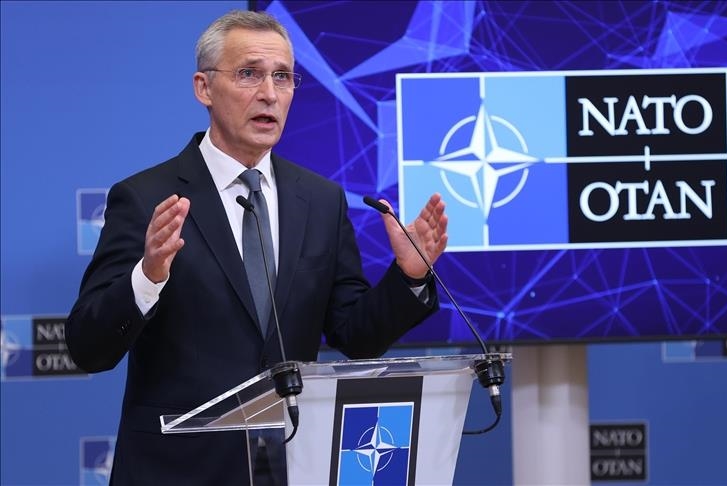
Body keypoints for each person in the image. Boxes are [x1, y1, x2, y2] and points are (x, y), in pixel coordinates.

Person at [65, 9, 448, 485]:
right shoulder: (146, 198)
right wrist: (148, 277)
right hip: (178, 470)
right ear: (204, 88)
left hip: (290, 465)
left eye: (282, 77)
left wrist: (409, 276)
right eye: (249, 73)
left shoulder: (320, 201)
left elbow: (356, 335)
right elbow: (87, 348)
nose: (269, 93)